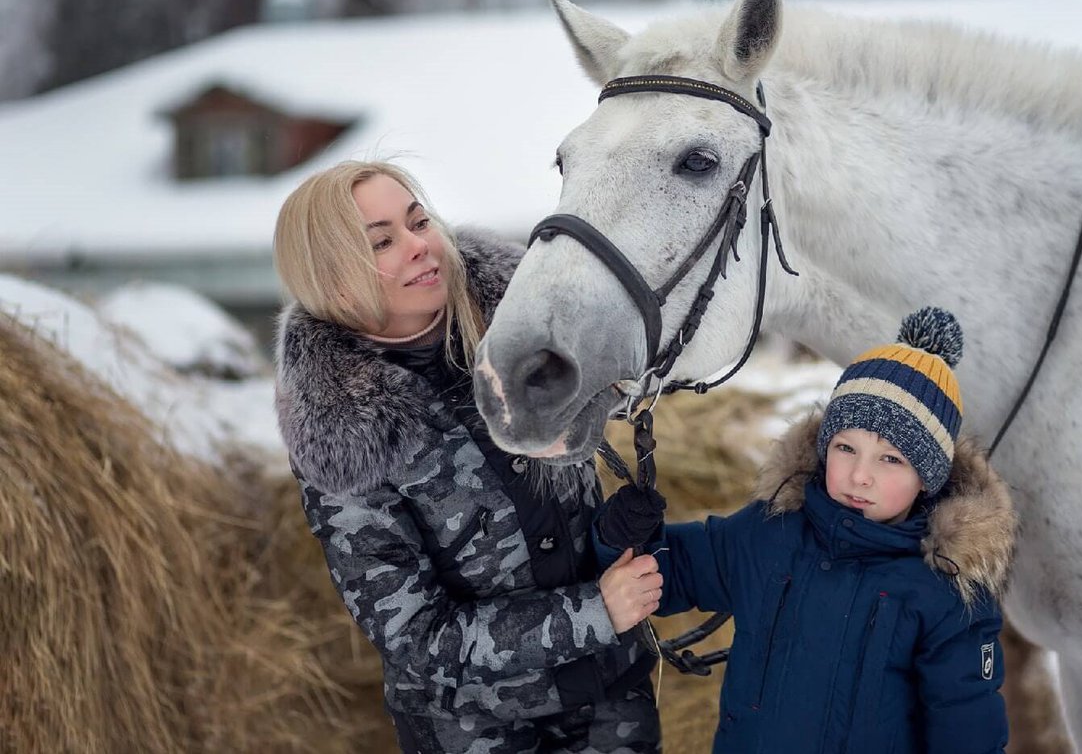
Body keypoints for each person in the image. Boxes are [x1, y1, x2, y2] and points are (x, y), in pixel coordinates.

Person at [273, 160, 662, 753]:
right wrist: (595, 611)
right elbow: (416, 637)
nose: (419, 246)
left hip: (613, 702)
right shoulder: (343, 430)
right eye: (382, 241)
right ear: (335, 279)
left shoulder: (528, 336)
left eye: (418, 220)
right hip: (476, 731)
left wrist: (613, 534)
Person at [596, 307, 1015, 754]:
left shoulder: (945, 590)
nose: (859, 476)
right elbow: (669, 573)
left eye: (891, 459)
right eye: (845, 447)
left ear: (927, 477)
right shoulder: (770, 534)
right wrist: (624, 537)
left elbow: (967, 729)